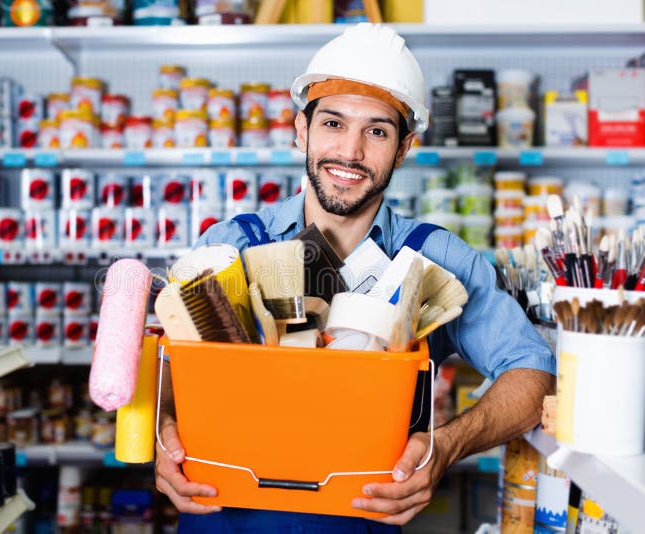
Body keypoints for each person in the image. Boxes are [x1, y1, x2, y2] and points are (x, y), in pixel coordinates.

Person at [155, 23, 555, 532]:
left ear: (404, 147)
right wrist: (164, 433)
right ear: (302, 129)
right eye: (333, 123)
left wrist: (446, 445)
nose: (350, 152)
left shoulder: (436, 258)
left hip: (360, 516)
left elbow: (533, 371)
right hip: (222, 513)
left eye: (377, 132)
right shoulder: (231, 246)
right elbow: (172, 370)